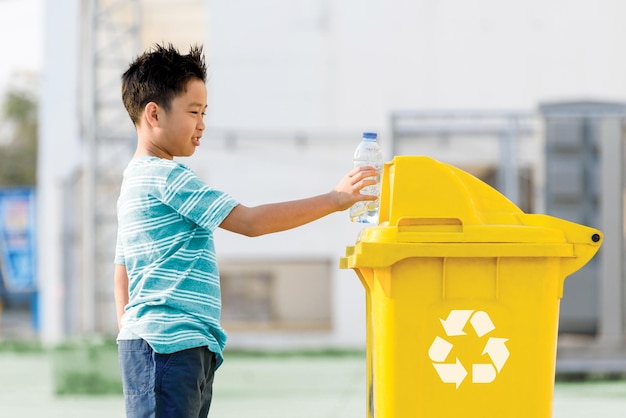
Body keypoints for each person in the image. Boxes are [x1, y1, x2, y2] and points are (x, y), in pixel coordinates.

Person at [113, 43, 378, 418]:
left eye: (204, 112)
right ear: (154, 113)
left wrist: (131, 329)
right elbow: (250, 222)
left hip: (171, 345)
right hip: (168, 346)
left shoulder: (134, 181)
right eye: (193, 112)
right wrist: (335, 199)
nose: (202, 123)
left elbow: (121, 267)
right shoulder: (167, 177)